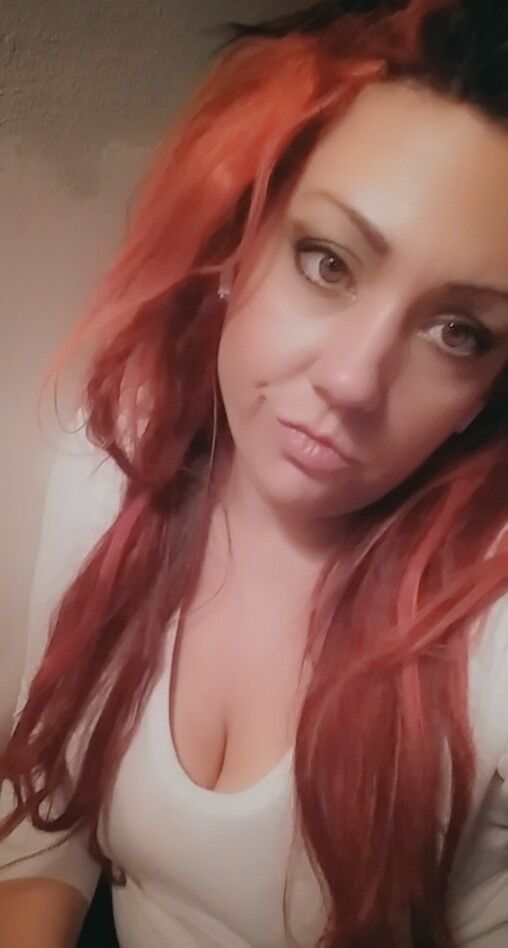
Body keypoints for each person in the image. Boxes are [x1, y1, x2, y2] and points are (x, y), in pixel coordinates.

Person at [1, 1, 507, 946]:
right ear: (239, 240)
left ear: (486, 393)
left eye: (458, 332)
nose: (353, 382)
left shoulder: (488, 648)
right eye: (328, 262)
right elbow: (45, 816)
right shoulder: (117, 457)